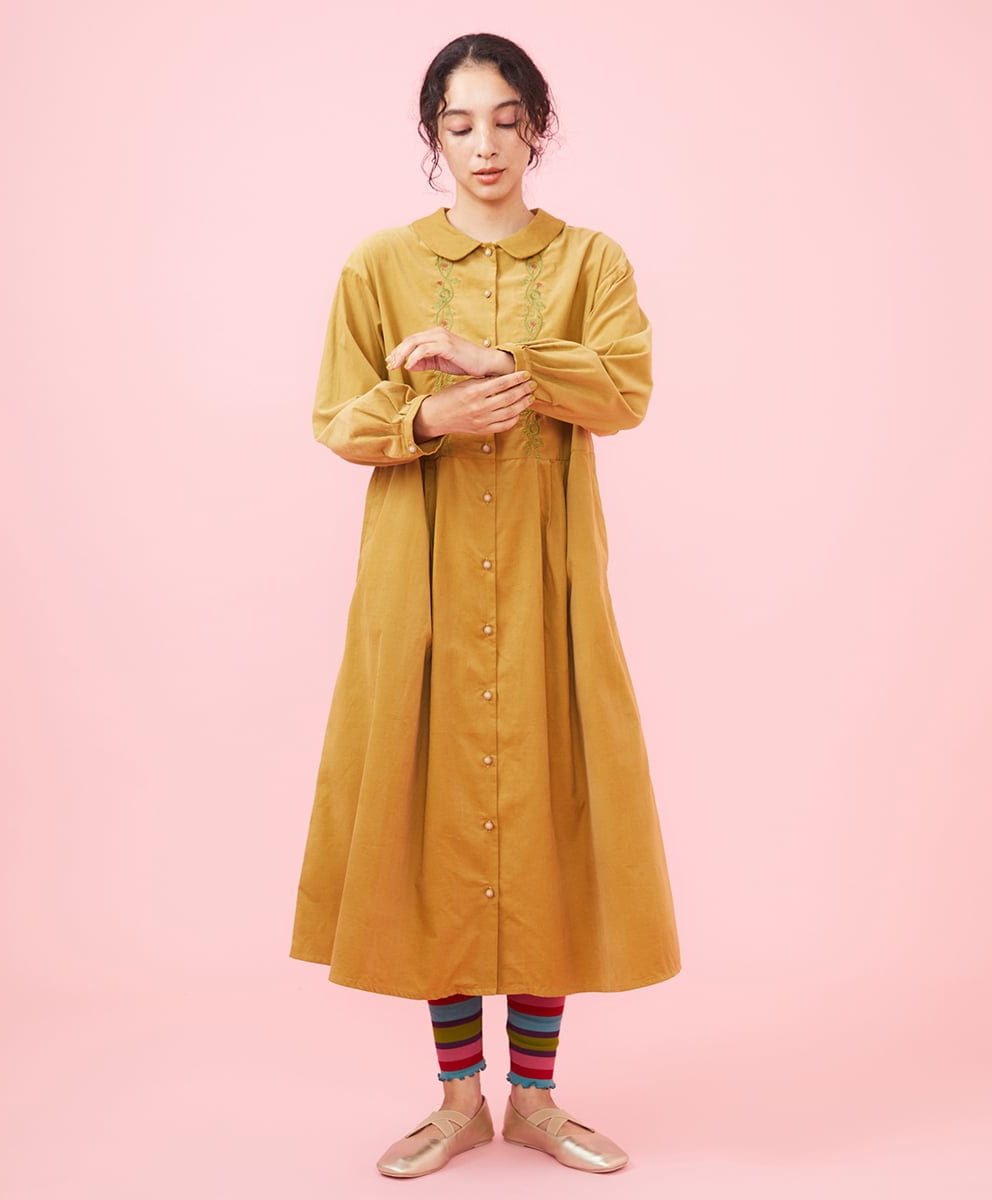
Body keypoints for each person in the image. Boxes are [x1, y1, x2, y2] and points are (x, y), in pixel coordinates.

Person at [290, 32, 682, 1178]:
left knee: (548, 808)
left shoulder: (591, 261)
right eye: (459, 123)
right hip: (417, 587)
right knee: (438, 815)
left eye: (506, 119)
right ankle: (459, 1098)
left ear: (536, 127)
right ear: (432, 136)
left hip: (549, 583)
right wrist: (424, 417)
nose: (484, 144)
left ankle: (538, 1101)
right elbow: (337, 414)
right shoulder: (379, 265)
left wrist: (496, 355)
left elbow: (623, 390)